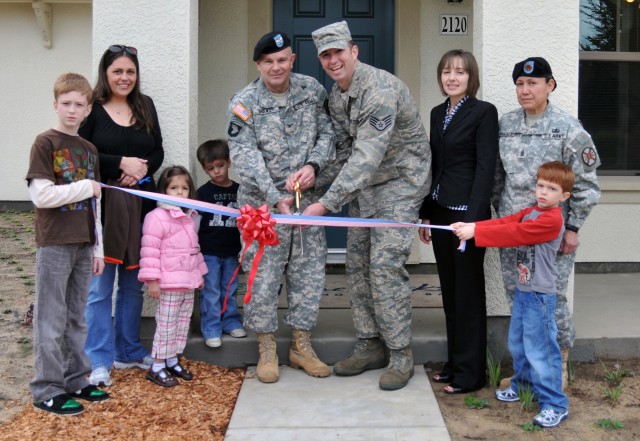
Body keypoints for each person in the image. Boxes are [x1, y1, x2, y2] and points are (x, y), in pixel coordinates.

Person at [306, 21, 432, 391]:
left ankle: (400, 353)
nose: (333, 60)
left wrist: (326, 204)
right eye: (325, 55)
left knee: (384, 266)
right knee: (356, 262)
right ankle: (369, 343)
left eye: (338, 52)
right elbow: (345, 154)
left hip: (400, 183)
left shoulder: (378, 89)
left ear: (354, 51)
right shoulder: (337, 95)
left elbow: (365, 158)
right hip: (367, 188)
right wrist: (312, 175)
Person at [226, 31, 336, 383]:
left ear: (292, 60)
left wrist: (313, 166)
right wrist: (274, 198)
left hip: (306, 203)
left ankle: (301, 345)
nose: (277, 67)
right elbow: (243, 155)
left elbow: (328, 134)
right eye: (269, 62)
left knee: (308, 275)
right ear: (258, 64)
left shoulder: (312, 90)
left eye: (283, 60)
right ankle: (267, 347)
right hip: (263, 209)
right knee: (263, 278)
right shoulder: (244, 102)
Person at [493, 57, 601, 389]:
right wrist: (499, 221)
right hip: (514, 235)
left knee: (552, 300)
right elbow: (499, 179)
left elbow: (587, 186)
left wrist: (573, 228)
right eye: (520, 84)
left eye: (533, 83)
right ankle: (525, 370)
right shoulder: (506, 124)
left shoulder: (569, 129)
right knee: (518, 299)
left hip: (552, 237)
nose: (525, 90)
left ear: (550, 86)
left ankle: (558, 367)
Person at [453, 161, 574, 428]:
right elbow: (506, 221)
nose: (543, 192)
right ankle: (523, 384)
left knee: (541, 350)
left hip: (540, 297)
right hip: (524, 291)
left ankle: (555, 404)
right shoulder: (532, 211)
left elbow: (514, 233)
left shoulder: (552, 220)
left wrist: (476, 233)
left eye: (551, 188)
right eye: (540, 185)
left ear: (564, 196)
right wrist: (473, 226)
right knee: (519, 344)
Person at [80, 44, 165, 387]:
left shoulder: (145, 106)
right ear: (105, 73)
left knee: (133, 283)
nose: (125, 77)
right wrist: (119, 165)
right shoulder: (92, 110)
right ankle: (98, 358)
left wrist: (139, 172)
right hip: (104, 210)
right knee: (101, 288)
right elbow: (84, 155)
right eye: (118, 71)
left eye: (130, 71)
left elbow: (157, 149)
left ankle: (128, 350)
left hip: (142, 205)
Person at [26, 73, 110, 415]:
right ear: (55, 104)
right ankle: (46, 387)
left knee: (77, 316)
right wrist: (85, 187)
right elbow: (41, 195)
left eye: (79, 104)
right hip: (55, 242)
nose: (72, 110)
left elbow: (96, 203)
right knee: (51, 316)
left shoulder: (89, 150)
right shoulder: (45, 143)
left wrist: (99, 248)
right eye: (66, 104)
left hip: (83, 243)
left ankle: (77, 379)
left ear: (88, 109)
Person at [418, 50, 499, 394]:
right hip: (439, 213)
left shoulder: (483, 112)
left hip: (467, 216)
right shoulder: (438, 113)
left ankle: (471, 374)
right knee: (450, 293)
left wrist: (474, 219)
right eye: (447, 71)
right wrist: (424, 211)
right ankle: (454, 364)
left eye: (460, 72)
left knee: (468, 294)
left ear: (471, 78)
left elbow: (486, 167)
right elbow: (433, 166)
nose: (452, 77)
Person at [138, 166, 208, 387]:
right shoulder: (156, 217)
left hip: (187, 281)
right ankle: (157, 365)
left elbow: (194, 248)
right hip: (168, 283)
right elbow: (150, 250)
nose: (180, 193)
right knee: (166, 324)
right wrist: (152, 280)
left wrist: (199, 273)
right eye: (174, 188)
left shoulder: (190, 216)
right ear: (163, 190)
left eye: (184, 188)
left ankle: (171, 359)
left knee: (181, 322)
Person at [196, 139, 246, 348]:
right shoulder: (202, 193)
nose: (216, 171)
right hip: (209, 252)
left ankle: (231, 322)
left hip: (232, 251)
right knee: (211, 291)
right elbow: (195, 224)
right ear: (205, 169)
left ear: (229, 162)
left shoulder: (239, 190)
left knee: (230, 288)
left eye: (220, 165)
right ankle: (211, 327)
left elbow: (246, 222)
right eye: (210, 168)